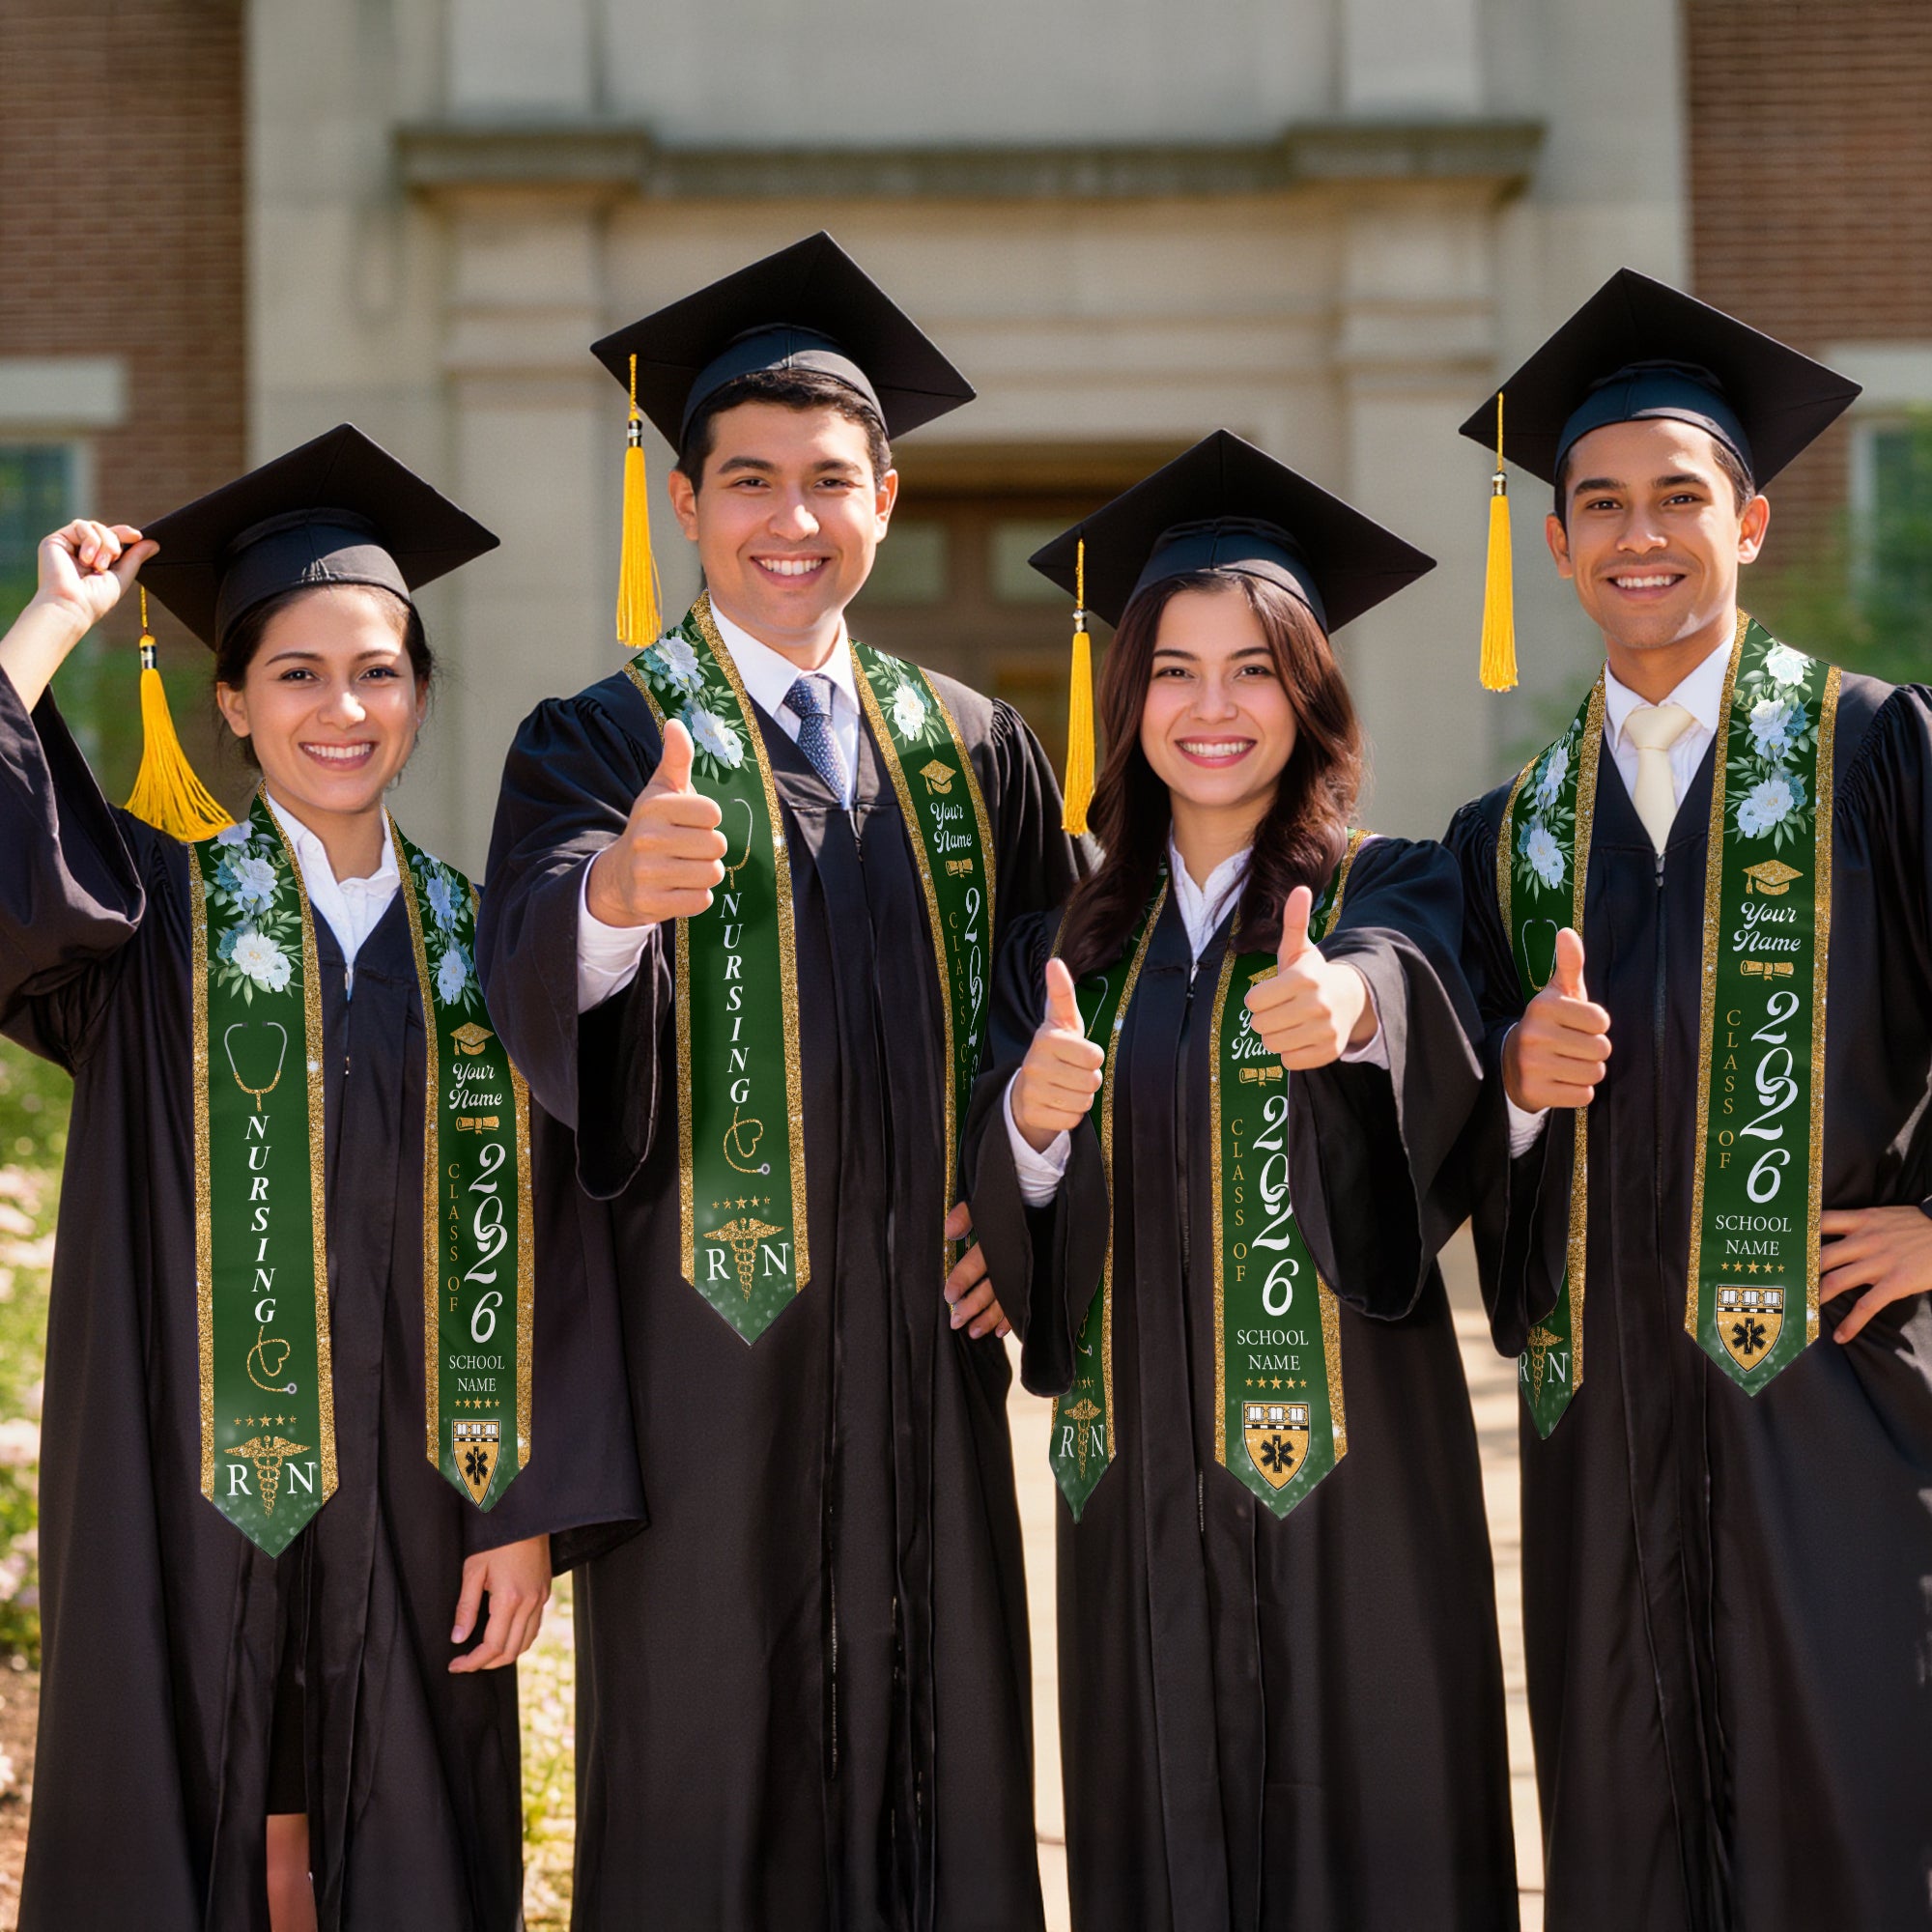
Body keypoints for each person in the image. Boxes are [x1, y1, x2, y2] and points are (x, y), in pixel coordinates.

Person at [476, 233, 1083, 1931]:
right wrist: (608, 901)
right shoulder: (597, 739)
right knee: (708, 1782)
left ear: (886, 497)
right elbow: (525, 968)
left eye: (831, 481)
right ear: (685, 503)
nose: (790, 520)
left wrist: (1024, 1201)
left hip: (924, 1365)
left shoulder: (974, 746)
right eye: (749, 481)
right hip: (704, 1378)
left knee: (943, 1764)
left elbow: (1075, 1009)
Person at [0, 424, 641, 1931]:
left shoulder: (493, 949)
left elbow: (558, 1242)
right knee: (191, 1808)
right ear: (230, 702)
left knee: (405, 1833)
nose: (341, 708)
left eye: (378, 671)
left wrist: (526, 1507)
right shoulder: (146, 920)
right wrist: (52, 623)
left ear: (419, 693)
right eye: (295, 673)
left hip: (425, 1503)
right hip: (179, 1487)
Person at [963, 431, 1518, 1931]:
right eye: (1175, 670)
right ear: (1127, 696)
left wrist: (1349, 1013)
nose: (1214, 708)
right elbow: (1011, 1214)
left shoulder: (1390, 885)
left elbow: (1414, 990)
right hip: (1133, 1478)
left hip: (1358, 1488)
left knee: (1378, 1838)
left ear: (1311, 692)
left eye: (1256, 668)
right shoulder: (1062, 946)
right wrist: (1027, 1120)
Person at [1446, 269, 1932, 1931]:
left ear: (1753, 520)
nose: (1637, 534)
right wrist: (1510, 1087)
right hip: (1604, 1436)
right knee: (1625, 1828)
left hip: (1837, 1404)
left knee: (1854, 1814)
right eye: (1599, 505)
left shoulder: (1878, 754)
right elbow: (1446, 1138)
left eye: (1678, 497)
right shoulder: (1508, 835)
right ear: (1561, 543)